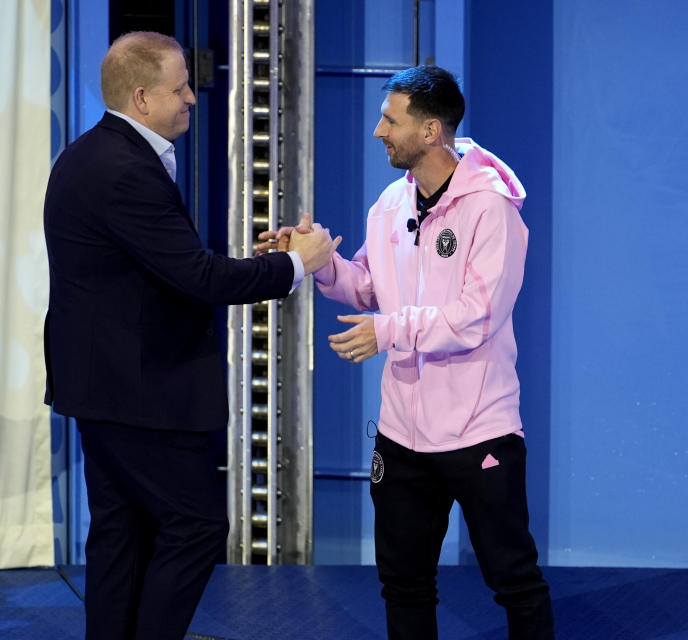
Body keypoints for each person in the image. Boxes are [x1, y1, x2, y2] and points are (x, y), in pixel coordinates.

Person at [43, 31, 338, 640]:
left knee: (123, 532)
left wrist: (267, 262)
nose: (192, 100)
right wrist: (297, 264)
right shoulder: (124, 169)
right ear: (143, 96)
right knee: (196, 524)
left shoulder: (94, 154)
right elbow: (196, 276)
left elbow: (161, 265)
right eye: (181, 90)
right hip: (140, 392)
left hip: (109, 386)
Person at [262, 65, 555, 639]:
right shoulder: (391, 204)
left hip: (480, 431)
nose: (378, 131)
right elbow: (371, 286)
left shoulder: (491, 210)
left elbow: (477, 316)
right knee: (403, 582)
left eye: (390, 120)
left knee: (512, 578)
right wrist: (321, 262)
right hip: (401, 437)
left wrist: (389, 331)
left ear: (430, 132)